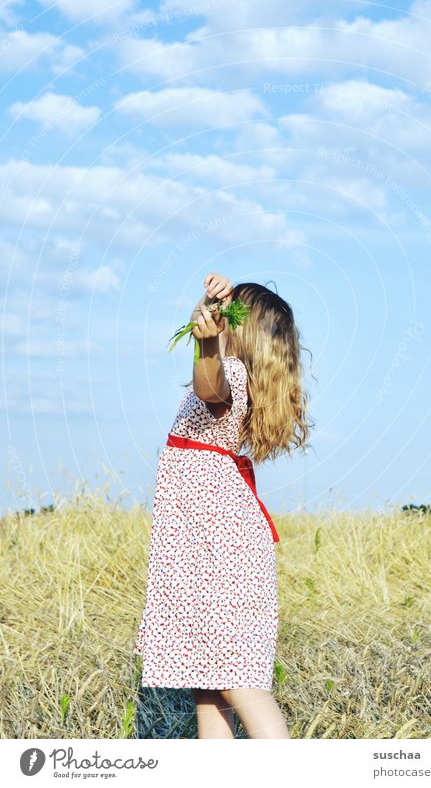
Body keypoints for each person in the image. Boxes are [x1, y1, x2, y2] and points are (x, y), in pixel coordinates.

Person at [133, 272, 313, 738]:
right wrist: (208, 308)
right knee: (209, 688)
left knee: (237, 681)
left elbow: (210, 385)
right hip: (216, 550)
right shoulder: (248, 377)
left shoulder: (228, 372)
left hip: (216, 554)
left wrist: (208, 349)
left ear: (240, 331)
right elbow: (206, 339)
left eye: (228, 315)